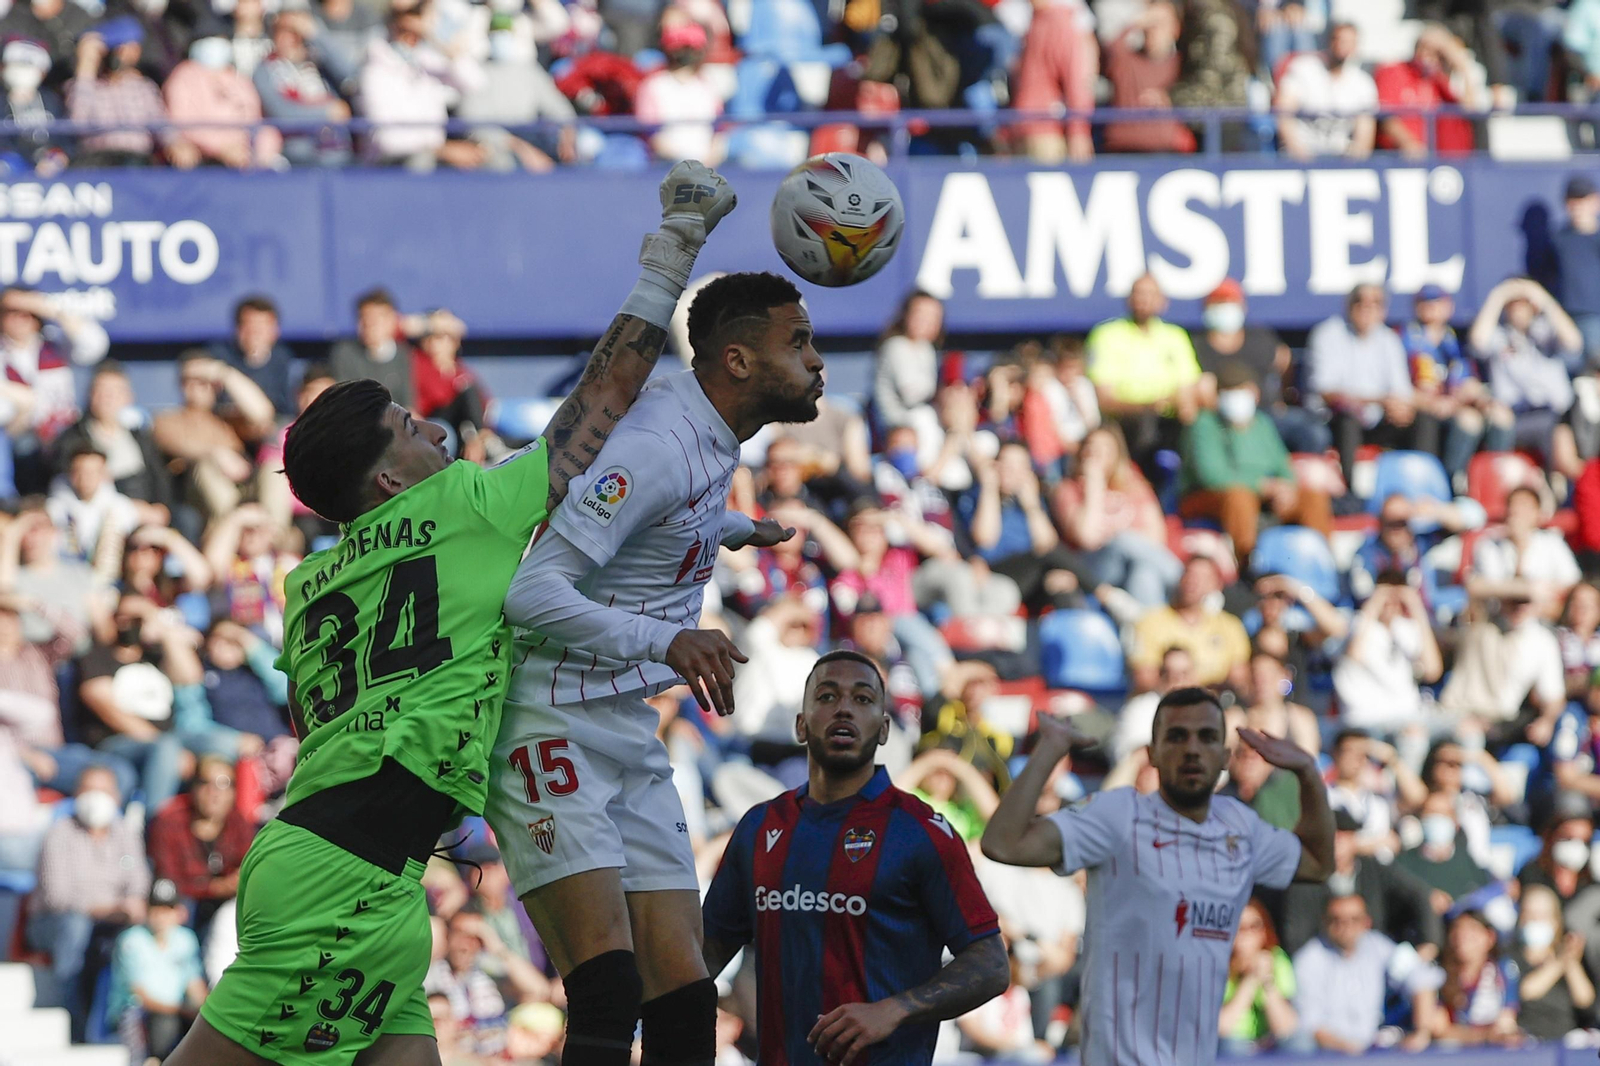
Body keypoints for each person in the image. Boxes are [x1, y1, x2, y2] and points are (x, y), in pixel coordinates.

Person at [165, 161, 737, 1066]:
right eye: (408, 423)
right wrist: (671, 256)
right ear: (389, 479)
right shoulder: (464, 503)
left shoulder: (308, 587)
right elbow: (601, 402)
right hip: (346, 874)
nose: (434, 426)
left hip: (366, 868)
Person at [486, 269, 819, 1066]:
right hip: (549, 719)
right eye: (798, 343)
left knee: (685, 983)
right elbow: (530, 592)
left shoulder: (705, 432)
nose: (817, 362)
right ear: (737, 361)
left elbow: (664, 513)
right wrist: (665, 640)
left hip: (625, 727)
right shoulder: (661, 444)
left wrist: (729, 527)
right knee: (606, 985)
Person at [980, 687, 1335, 1066]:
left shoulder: (1241, 827)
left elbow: (1317, 863)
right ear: (1150, 754)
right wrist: (1049, 749)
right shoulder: (1117, 816)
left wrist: (1308, 773)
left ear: (1225, 756)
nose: (1192, 749)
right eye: (1177, 736)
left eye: (1207, 737)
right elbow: (1003, 843)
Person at [701, 651, 1009, 1066]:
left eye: (863, 699)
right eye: (827, 697)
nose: (844, 707)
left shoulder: (921, 832)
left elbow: (991, 964)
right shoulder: (760, 827)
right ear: (800, 724)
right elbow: (708, 952)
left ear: (884, 730)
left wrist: (895, 1009)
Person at [28, 765, 150, 1040]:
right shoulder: (59, 833)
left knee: (140, 933)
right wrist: (111, 908)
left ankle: (127, 1030)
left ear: (117, 797)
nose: (96, 797)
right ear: (76, 794)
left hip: (110, 924)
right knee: (75, 927)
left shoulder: (124, 833)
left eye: (104, 790)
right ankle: (70, 1025)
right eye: (89, 790)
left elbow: (138, 883)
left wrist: (127, 908)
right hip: (54, 924)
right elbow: (57, 897)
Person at [1178, 362, 1332, 566]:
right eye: (1229, 391)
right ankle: (1248, 564)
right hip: (1209, 498)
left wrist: (1285, 488)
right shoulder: (1204, 425)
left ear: (1255, 393)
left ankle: (1323, 562)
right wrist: (1263, 486)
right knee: (1239, 496)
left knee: (1312, 498)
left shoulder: (1262, 423)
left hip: (1264, 497)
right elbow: (1212, 476)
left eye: (1242, 390)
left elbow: (1283, 465)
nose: (1237, 397)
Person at [1307, 284, 1433, 487]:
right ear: (1348, 305)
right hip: (1334, 420)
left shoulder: (1389, 339)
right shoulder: (1328, 334)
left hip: (1378, 418)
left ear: (1384, 310)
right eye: (1360, 301)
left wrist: (1402, 409)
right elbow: (1326, 392)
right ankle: (1352, 494)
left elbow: (1401, 391)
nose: (1367, 308)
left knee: (1423, 420)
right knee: (1348, 417)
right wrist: (1379, 400)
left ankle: (1423, 486)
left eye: (1375, 303)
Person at [1085, 273, 1207, 476]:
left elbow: (1188, 386)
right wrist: (1149, 406)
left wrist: (1181, 405)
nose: (1143, 300)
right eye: (1139, 294)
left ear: (1163, 301)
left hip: (1171, 418)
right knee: (1145, 426)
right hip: (1128, 421)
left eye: (1150, 294)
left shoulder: (1175, 336)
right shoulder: (1107, 335)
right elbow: (1104, 398)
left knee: (1200, 425)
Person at [1279, 810, 1444, 957]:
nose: (1336, 845)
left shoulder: (1373, 869)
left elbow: (1418, 893)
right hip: (1327, 962)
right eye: (1329, 838)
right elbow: (1296, 938)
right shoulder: (1305, 880)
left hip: (1376, 960)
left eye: (1342, 837)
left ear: (1354, 839)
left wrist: (1428, 944)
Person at [1291, 893, 1442, 1053]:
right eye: (1336, 920)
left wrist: (1422, 1032)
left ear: (1366, 922)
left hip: (1373, 1051)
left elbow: (1419, 977)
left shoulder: (1377, 946)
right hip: (1327, 1055)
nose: (1346, 927)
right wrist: (1352, 1052)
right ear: (1324, 922)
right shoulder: (1308, 960)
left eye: (1354, 919)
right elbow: (1310, 1025)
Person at [1051, 423, 1180, 609]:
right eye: (1091, 447)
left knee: (1144, 572)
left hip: (1131, 564)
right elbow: (1086, 537)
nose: (1096, 453)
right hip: (1094, 568)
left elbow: (1157, 536)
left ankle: (1146, 629)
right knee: (1122, 539)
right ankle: (1181, 580)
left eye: (1104, 448)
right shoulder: (1067, 490)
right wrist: (1094, 486)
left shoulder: (1133, 485)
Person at [1190, 278, 1323, 453]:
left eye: (1230, 303)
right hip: (1221, 419)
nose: (1225, 309)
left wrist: (1281, 398)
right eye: (1218, 303)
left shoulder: (1259, 337)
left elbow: (1283, 360)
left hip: (1265, 414)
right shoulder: (1196, 345)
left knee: (1313, 432)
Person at [358, 0, 487, 170]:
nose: (413, 22)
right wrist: (441, 151)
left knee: (490, 156)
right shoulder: (374, 68)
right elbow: (388, 141)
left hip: (435, 159)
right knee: (420, 162)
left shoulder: (427, 59)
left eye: (419, 11)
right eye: (408, 13)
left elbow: (476, 83)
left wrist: (436, 37)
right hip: (390, 167)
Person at [1404, 284, 1509, 481]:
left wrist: (1477, 396)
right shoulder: (1405, 338)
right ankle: (1452, 481)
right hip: (1423, 410)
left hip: (1454, 403)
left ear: (1448, 306)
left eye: (1437, 302)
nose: (1432, 307)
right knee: (1469, 422)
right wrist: (1431, 402)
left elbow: (1467, 381)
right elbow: (1399, 388)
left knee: (1500, 415)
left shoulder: (1455, 341)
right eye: (1425, 302)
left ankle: (1494, 482)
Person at [147, 754, 255, 935]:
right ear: (194, 787)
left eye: (224, 784)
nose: (214, 792)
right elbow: (168, 880)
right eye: (206, 783)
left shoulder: (238, 822)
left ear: (234, 792)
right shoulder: (168, 821)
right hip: (185, 903)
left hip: (225, 903)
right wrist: (216, 887)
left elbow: (248, 865)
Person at [108, 878, 208, 1062]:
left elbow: (194, 985)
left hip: (176, 1012)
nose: (162, 916)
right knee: (162, 1025)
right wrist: (180, 1010)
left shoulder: (185, 939)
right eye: (157, 909)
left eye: (167, 909)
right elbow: (140, 996)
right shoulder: (131, 941)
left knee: (203, 1025)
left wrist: (208, 1012)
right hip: (137, 1014)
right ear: (147, 911)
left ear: (178, 912)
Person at [68, 18, 188, 167]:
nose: (127, 55)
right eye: (120, 50)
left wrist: (175, 143)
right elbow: (77, 124)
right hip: (99, 162)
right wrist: (86, 67)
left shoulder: (143, 87)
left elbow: (161, 124)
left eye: (132, 49)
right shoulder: (83, 86)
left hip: (136, 160)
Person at [1129, 554, 1250, 692]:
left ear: (1216, 585)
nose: (1193, 582)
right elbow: (1144, 678)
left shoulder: (1231, 627)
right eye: (1189, 574)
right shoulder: (1150, 622)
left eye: (1202, 577)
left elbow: (1239, 679)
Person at [164, 34, 283, 170]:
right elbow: (184, 122)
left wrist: (252, 152)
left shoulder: (237, 78)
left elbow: (254, 119)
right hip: (203, 152)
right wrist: (221, 148)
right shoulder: (182, 76)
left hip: (242, 151)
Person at [253, 9, 352, 167]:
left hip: (339, 153)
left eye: (297, 31)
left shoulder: (319, 63)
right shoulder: (264, 69)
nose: (291, 38)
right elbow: (282, 114)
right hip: (299, 156)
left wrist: (316, 34)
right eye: (284, 31)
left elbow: (350, 74)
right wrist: (326, 113)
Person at [1374, 23, 1483, 156]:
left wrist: (1462, 67)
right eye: (1425, 48)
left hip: (1437, 160)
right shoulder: (1394, 71)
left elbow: (1470, 109)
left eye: (1439, 53)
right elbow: (1386, 116)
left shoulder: (1440, 81)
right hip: (1397, 156)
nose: (1430, 56)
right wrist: (1409, 144)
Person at [1274, 21, 1377, 160]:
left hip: (1341, 159)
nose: (1343, 46)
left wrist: (1355, 161)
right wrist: (1299, 154)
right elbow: (1284, 114)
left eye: (1349, 42)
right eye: (1339, 39)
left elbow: (1365, 133)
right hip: (1300, 155)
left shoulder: (1363, 82)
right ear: (1329, 41)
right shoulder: (1302, 69)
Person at [1100, 1, 1193, 154]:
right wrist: (1136, 21)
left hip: (1165, 152)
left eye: (1161, 23)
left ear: (1176, 29)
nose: (1153, 30)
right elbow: (1112, 48)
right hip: (1123, 150)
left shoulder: (1182, 65)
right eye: (1150, 24)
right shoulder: (1126, 61)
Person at [1217, 899, 1304, 1056]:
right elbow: (1223, 1027)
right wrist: (1250, 979)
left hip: (1270, 1039)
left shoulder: (1277, 958)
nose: (1247, 933)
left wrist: (1266, 980)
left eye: (1254, 926)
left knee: (1301, 1043)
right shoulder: (1217, 964)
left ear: (1264, 930)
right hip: (1233, 1042)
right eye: (1240, 927)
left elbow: (1286, 1028)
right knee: (1234, 1047)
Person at [1512, 884, 1595, 1041]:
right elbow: (1525, 991)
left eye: (1542, 915)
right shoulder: (1511, 955)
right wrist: (1560, 961)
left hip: (1566, 1039)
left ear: (1556, 921)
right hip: (1529, 1039)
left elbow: (1585, 1000)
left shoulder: (1568, 956)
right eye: (1530, 914)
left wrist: (1570, 961)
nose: (1536, 920)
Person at [634, 17, 722, 165]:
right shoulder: (653, 86)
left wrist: (708, 164)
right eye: (681, 47)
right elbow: (652, 136)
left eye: (691, 48)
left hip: (706, 170)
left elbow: (719, 132)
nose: (686, 53)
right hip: (666, 169)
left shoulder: (708, 86)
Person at [1432, 908, 1521, 1046]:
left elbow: (1506, 1022)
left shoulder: (1502, 971)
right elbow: (1439, 1029)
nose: (1463, 936)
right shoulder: (1437, 973)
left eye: (1472, 930)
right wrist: (1483, 1035)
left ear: (1490, 937)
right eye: (1457, 929)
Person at [1393, 792, 1493, 903]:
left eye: (1444, 813)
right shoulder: (1403, 863)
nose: (1437, 817)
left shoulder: (1468, 862)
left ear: (1455, 821)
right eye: (1431, 812)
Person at [208, 294, 297, 417]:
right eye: (249, 327)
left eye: (261, 328)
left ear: (275, 331)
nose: (254, 335)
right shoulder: (218, 356)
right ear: (237, 330)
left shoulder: (284, 361)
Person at [328, 287, 416, 409]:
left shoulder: (403, 355)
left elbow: (409, 403)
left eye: (376, 319)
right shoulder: (344, 353)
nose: (368, 325)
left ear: (392, 321)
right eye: (363, 318)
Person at [874, 290, 944, 441]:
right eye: (920, 314)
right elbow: (910, 395)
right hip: (895, 426)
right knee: (927, 417)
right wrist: (942, 395)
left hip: (920, 421)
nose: (926, 321)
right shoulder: (896, 346)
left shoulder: (926, 348)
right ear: (906, 315)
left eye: (933, 317)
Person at [1553, 175, 1600, 368]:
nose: (1577, 205)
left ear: (1595, 201)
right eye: (1572, 199)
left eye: (1582, 198)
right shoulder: (1557, 240)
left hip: (1595, 318)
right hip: (1563, 320)